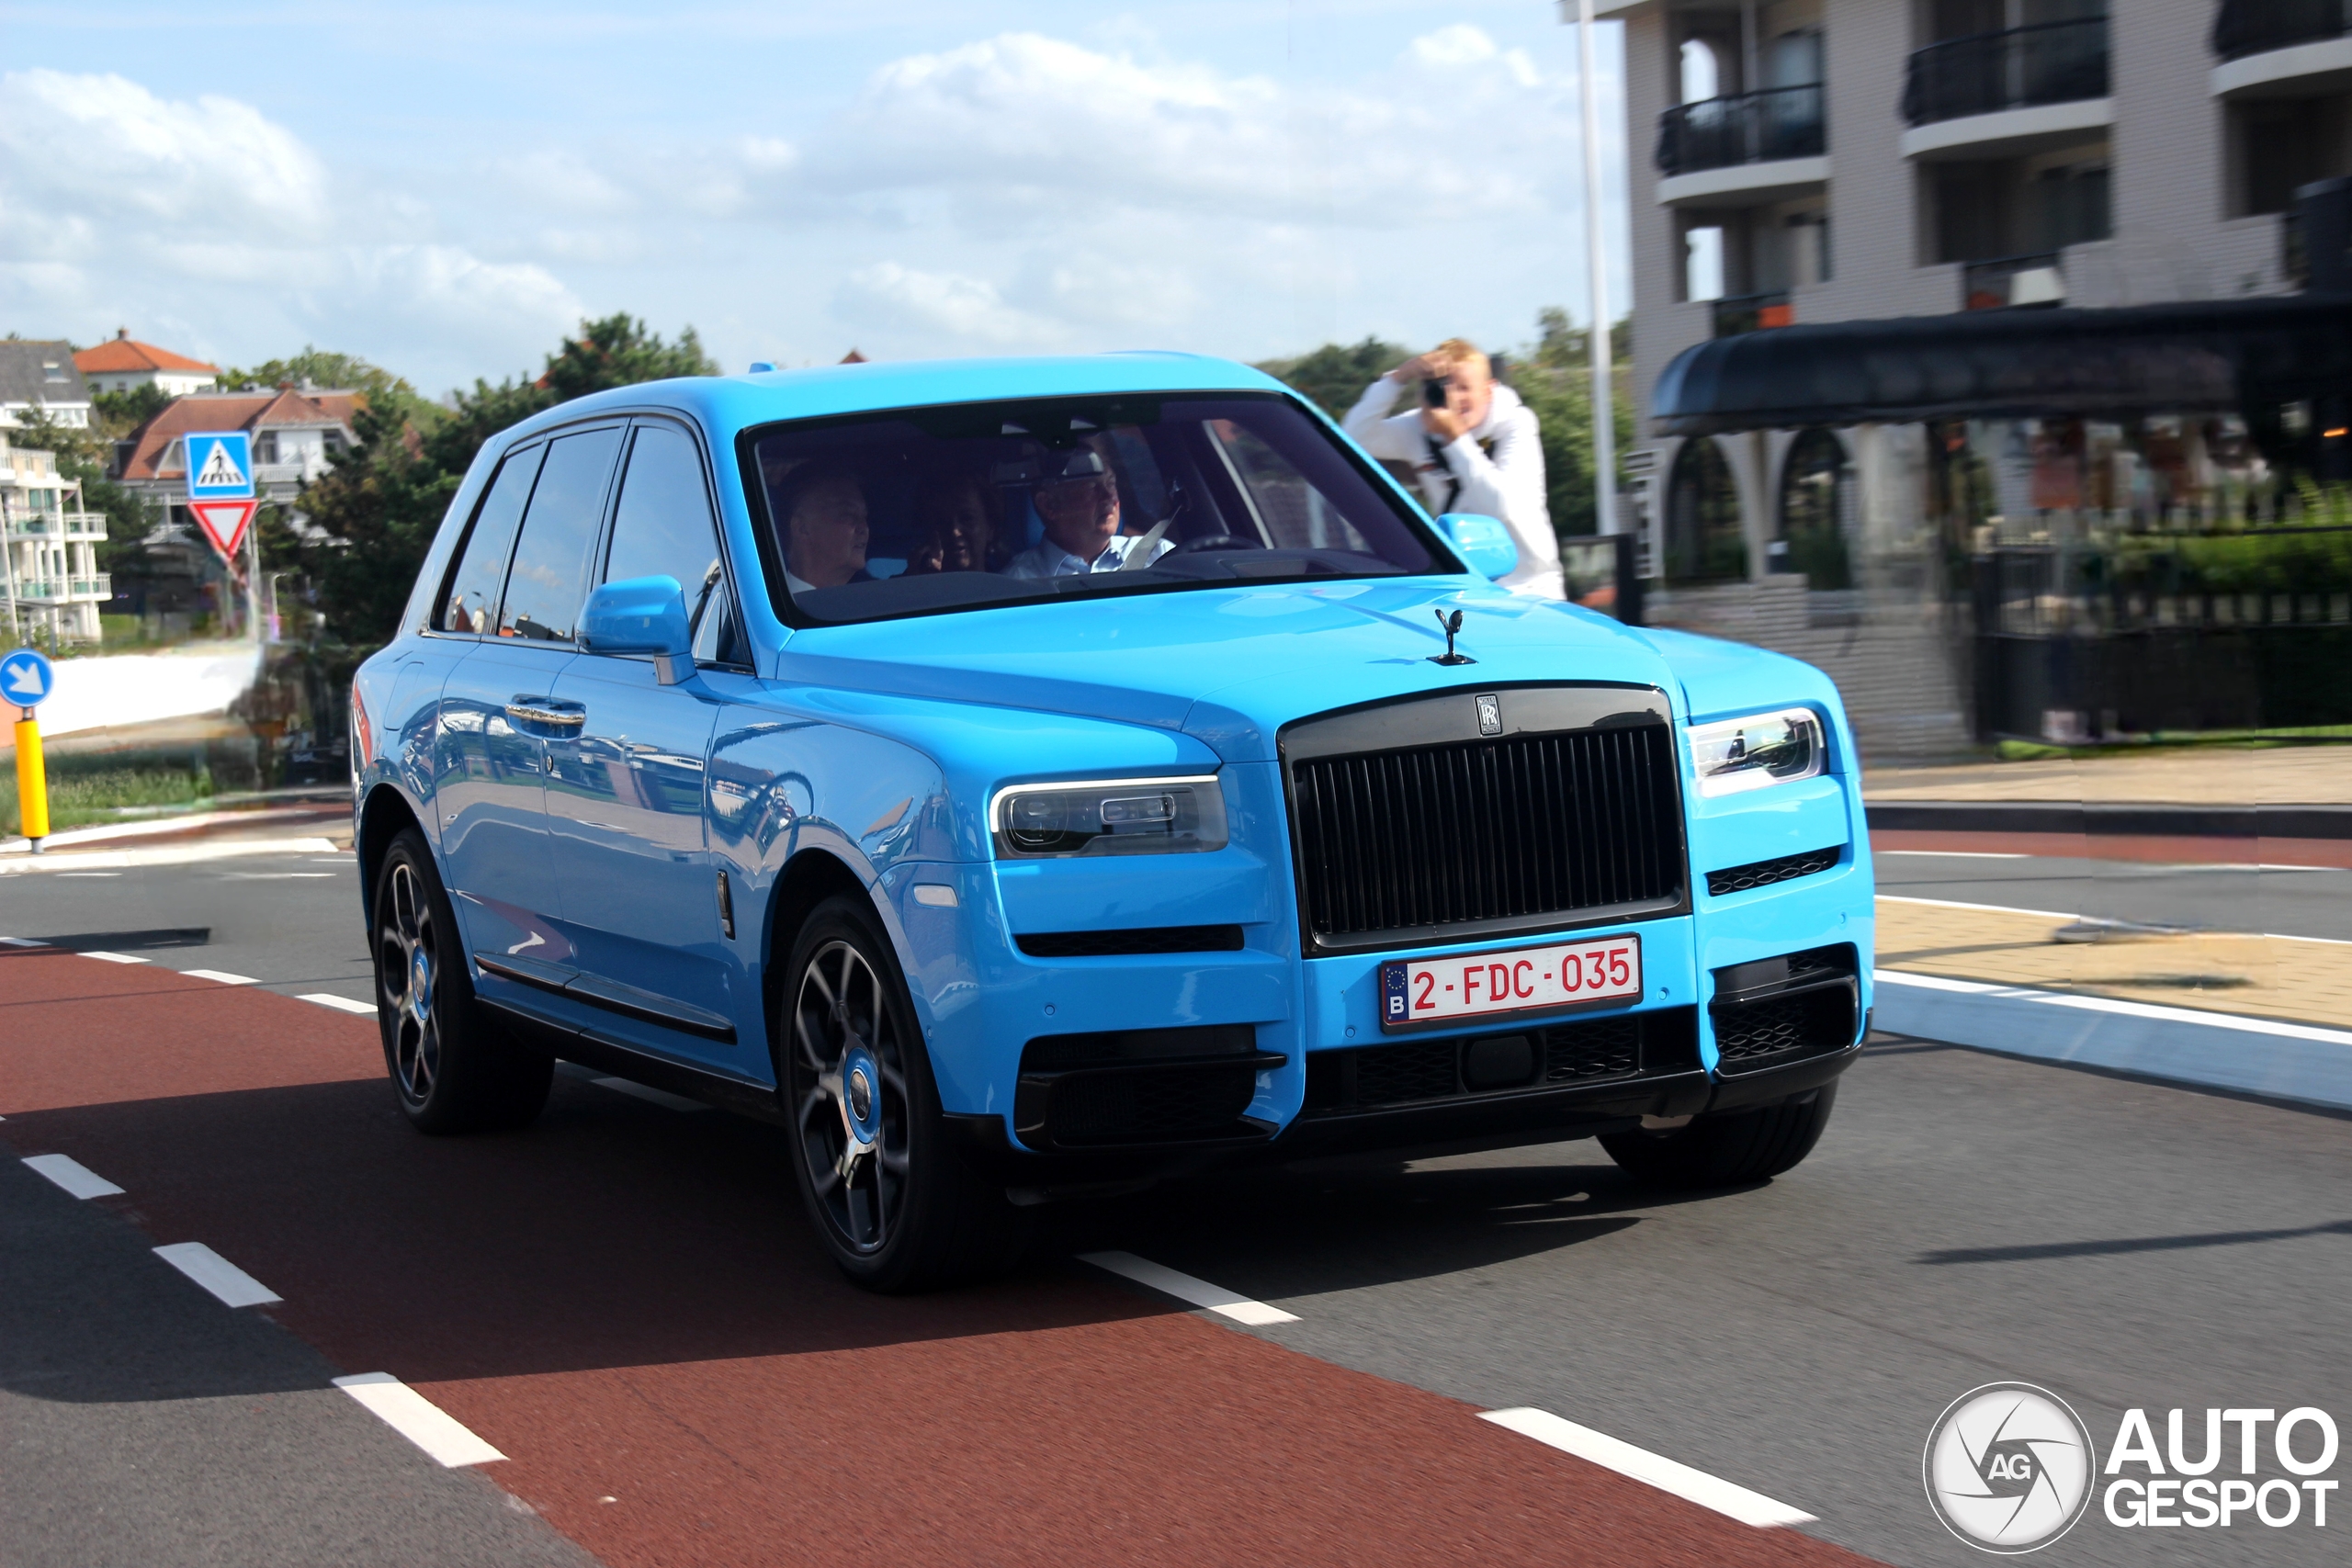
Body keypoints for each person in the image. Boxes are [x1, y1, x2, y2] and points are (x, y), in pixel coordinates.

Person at [1341, 338, 1563, 599]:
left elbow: (1501, 508)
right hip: (1467, 590)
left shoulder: (1517, 424)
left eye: (1464, 388)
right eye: (1443, 387)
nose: (1454, 399)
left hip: (1532, 590)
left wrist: (1454, 438)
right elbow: (1352, 439)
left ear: (1489, 390)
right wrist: (1398, 378)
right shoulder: (1421, 427)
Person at [1003, 446, 1174, 578]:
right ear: (1049, 505)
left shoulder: (1159, 555)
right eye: (1092, 487)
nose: (1109, 497)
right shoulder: (1020, 581)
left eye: (1110, 483)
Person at [775, 460, 869, 592]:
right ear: (802, 528)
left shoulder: (876, 603)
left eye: (864, 517)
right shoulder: (765, 607)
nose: (864, 527)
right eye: (847, 514)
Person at [903, 466, 1001, 576]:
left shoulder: (1013, 586)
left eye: (967, 518)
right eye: (941, 521)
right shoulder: (898, 589)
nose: (954, 531)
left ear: (990, 528)